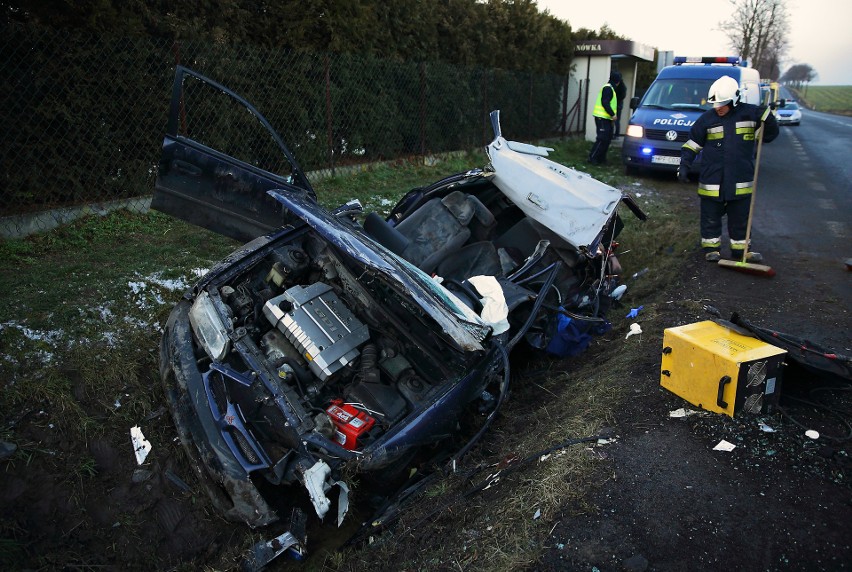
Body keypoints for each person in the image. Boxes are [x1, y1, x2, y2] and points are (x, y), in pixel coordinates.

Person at [678, 75, 778, 262]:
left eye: (723, 103)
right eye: (715, 104)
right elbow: (692, 145)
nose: (718, 108)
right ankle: (711, 249)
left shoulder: (751, 115)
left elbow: (769, 136)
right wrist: (684, 165)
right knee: (710, 217)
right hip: (712, 180)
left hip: (740, 180)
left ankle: (741, 251)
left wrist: (768, 119)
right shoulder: (706, 120)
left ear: (735, 99)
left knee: (740, 218)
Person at [588, 70, 622, 164]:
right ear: (617, 81)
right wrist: (612, 114)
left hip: (606, 118)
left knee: (607, 139)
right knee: (602, 139)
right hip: (602, 118)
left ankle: (601, 159)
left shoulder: (610, 88)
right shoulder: (608, 89)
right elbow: (605, 102)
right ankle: (592, 158)